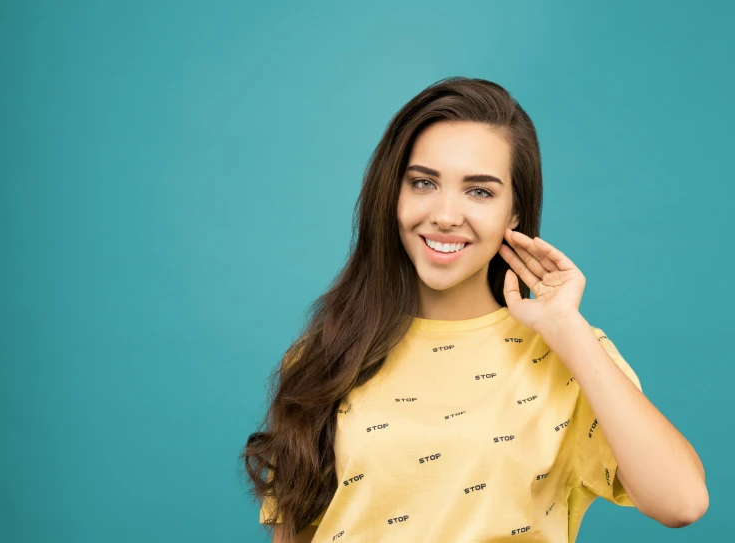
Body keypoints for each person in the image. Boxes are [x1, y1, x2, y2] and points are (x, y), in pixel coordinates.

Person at [241, 76, 708, 543]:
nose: (445, 215)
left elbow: (682, 502)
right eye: (423, 183)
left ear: (515, 212)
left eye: (479, 191)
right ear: (394, 194)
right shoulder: (325, 353)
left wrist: (567, 327)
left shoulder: (571, 353)